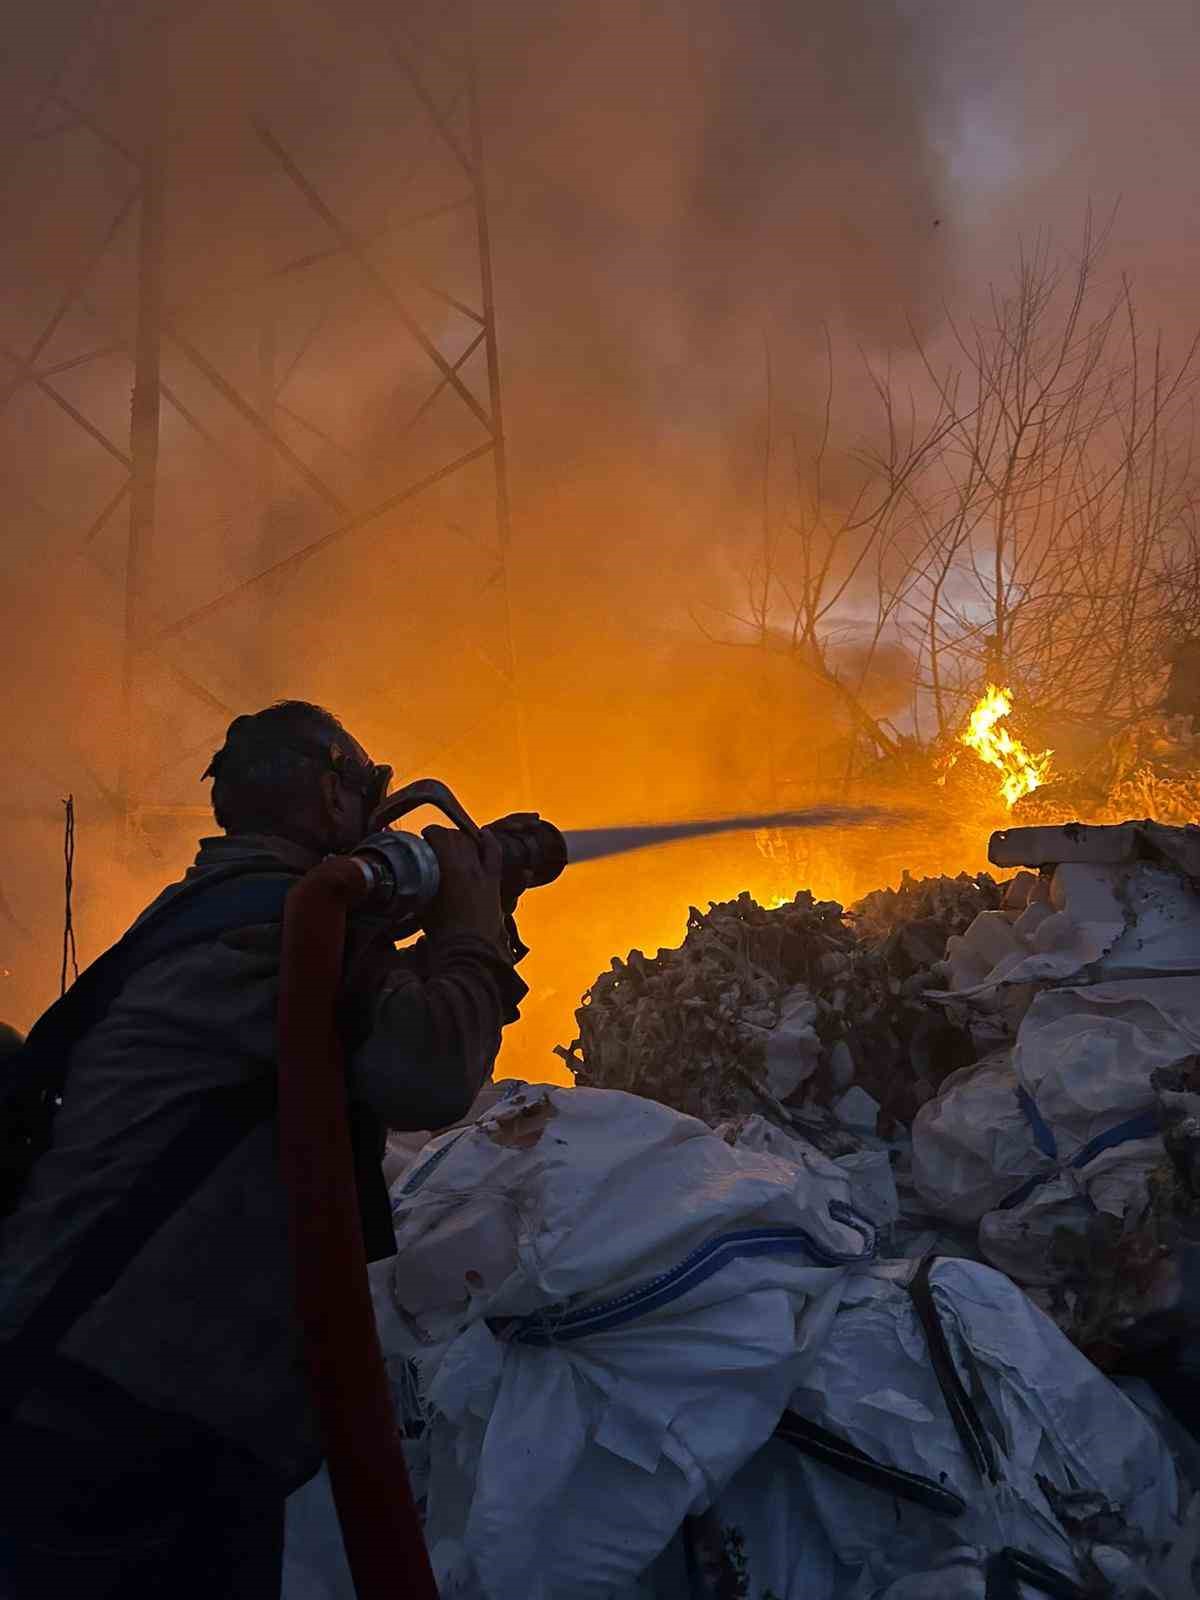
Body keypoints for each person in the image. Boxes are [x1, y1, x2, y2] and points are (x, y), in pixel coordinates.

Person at [0, 700, 528, 1598]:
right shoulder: (281, 930)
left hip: (100, 1396)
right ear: (329, 797)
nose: (379, 815)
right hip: (122, 1420)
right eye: (367, 793)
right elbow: (431, 1074)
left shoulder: (214, 911)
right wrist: (469, 930)